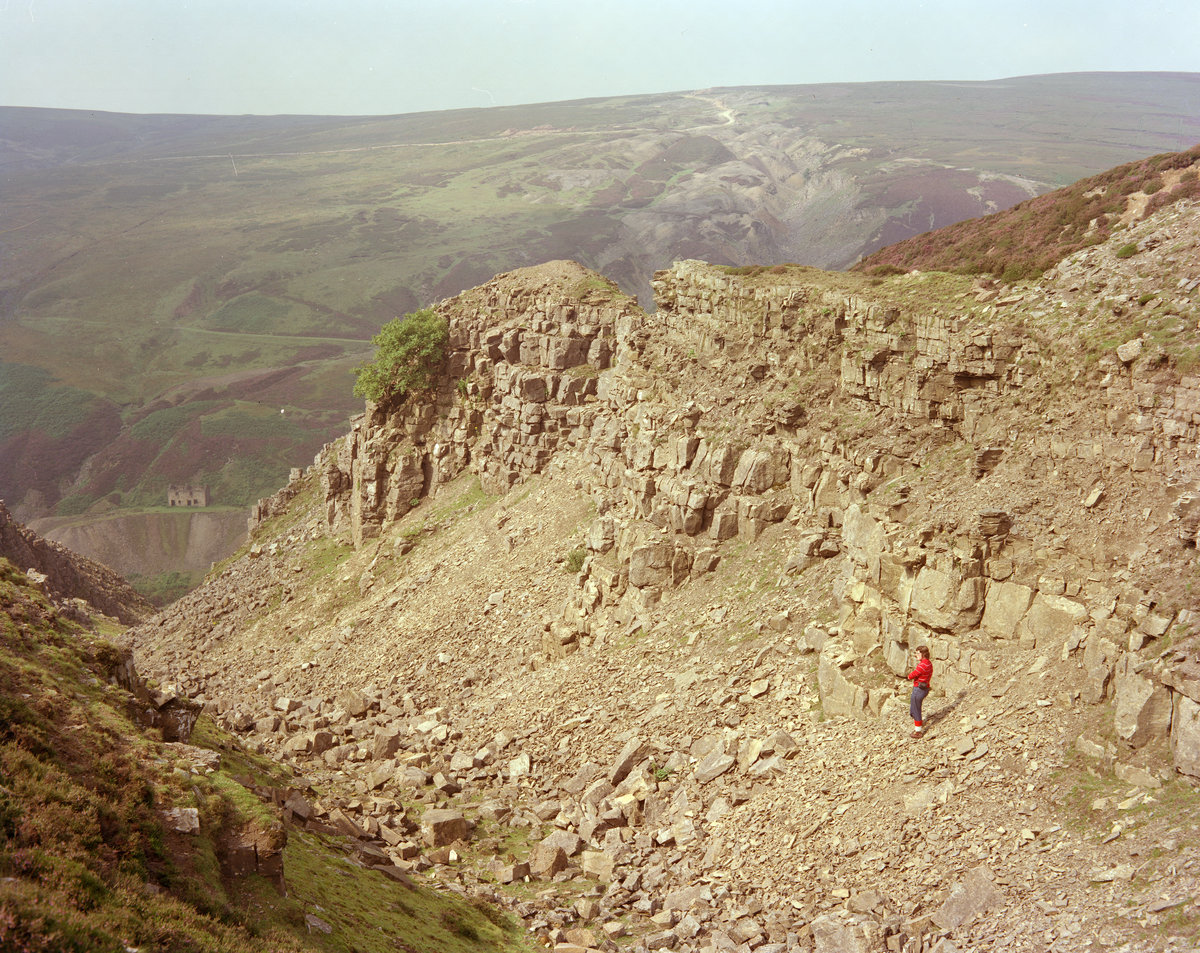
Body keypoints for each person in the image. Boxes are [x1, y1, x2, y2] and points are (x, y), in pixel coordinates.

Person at [907, 646, 933, 739]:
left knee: (916, 709)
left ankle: (918, 731)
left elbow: (912, 675)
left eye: (918, 653)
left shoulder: (922, 665)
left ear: (923, 654)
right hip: (924, 688)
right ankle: (917, 723)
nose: (916, 655)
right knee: (915, 708)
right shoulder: (928, 663)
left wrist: (909, 676)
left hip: (919, 689)